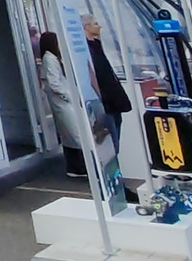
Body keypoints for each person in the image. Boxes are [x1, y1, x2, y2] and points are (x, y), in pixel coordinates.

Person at [35, 32, 88, 177]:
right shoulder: (49, 59)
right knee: (75, 133)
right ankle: (81, 166)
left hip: (63, 100)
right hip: (62, 101)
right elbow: (53, 83)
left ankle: (75, 167)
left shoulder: (52, 58)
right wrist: (67, 96)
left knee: (70, 134)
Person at [81, 19, 133, 154]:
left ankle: (116, 154)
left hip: (113, 95)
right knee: (110, 132)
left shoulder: (97, 45)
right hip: (103, 96)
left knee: (117, 124)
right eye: (95, 23)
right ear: (86, 26)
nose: (100, 26)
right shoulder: (86, 49)